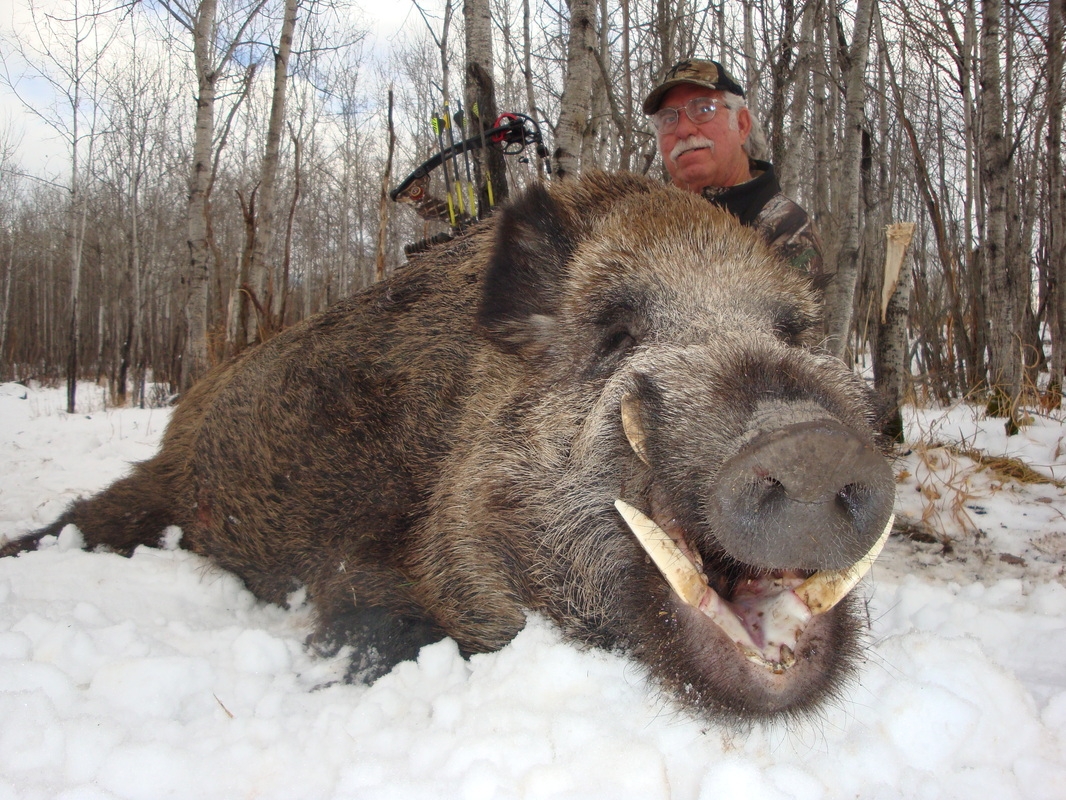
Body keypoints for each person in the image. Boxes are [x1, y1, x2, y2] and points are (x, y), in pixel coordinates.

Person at [643, 59, 826, 286]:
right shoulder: (642, 218)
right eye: (669, 119)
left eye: (703, 109)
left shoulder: (789, 229)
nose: (683, 130)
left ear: (741, 125)